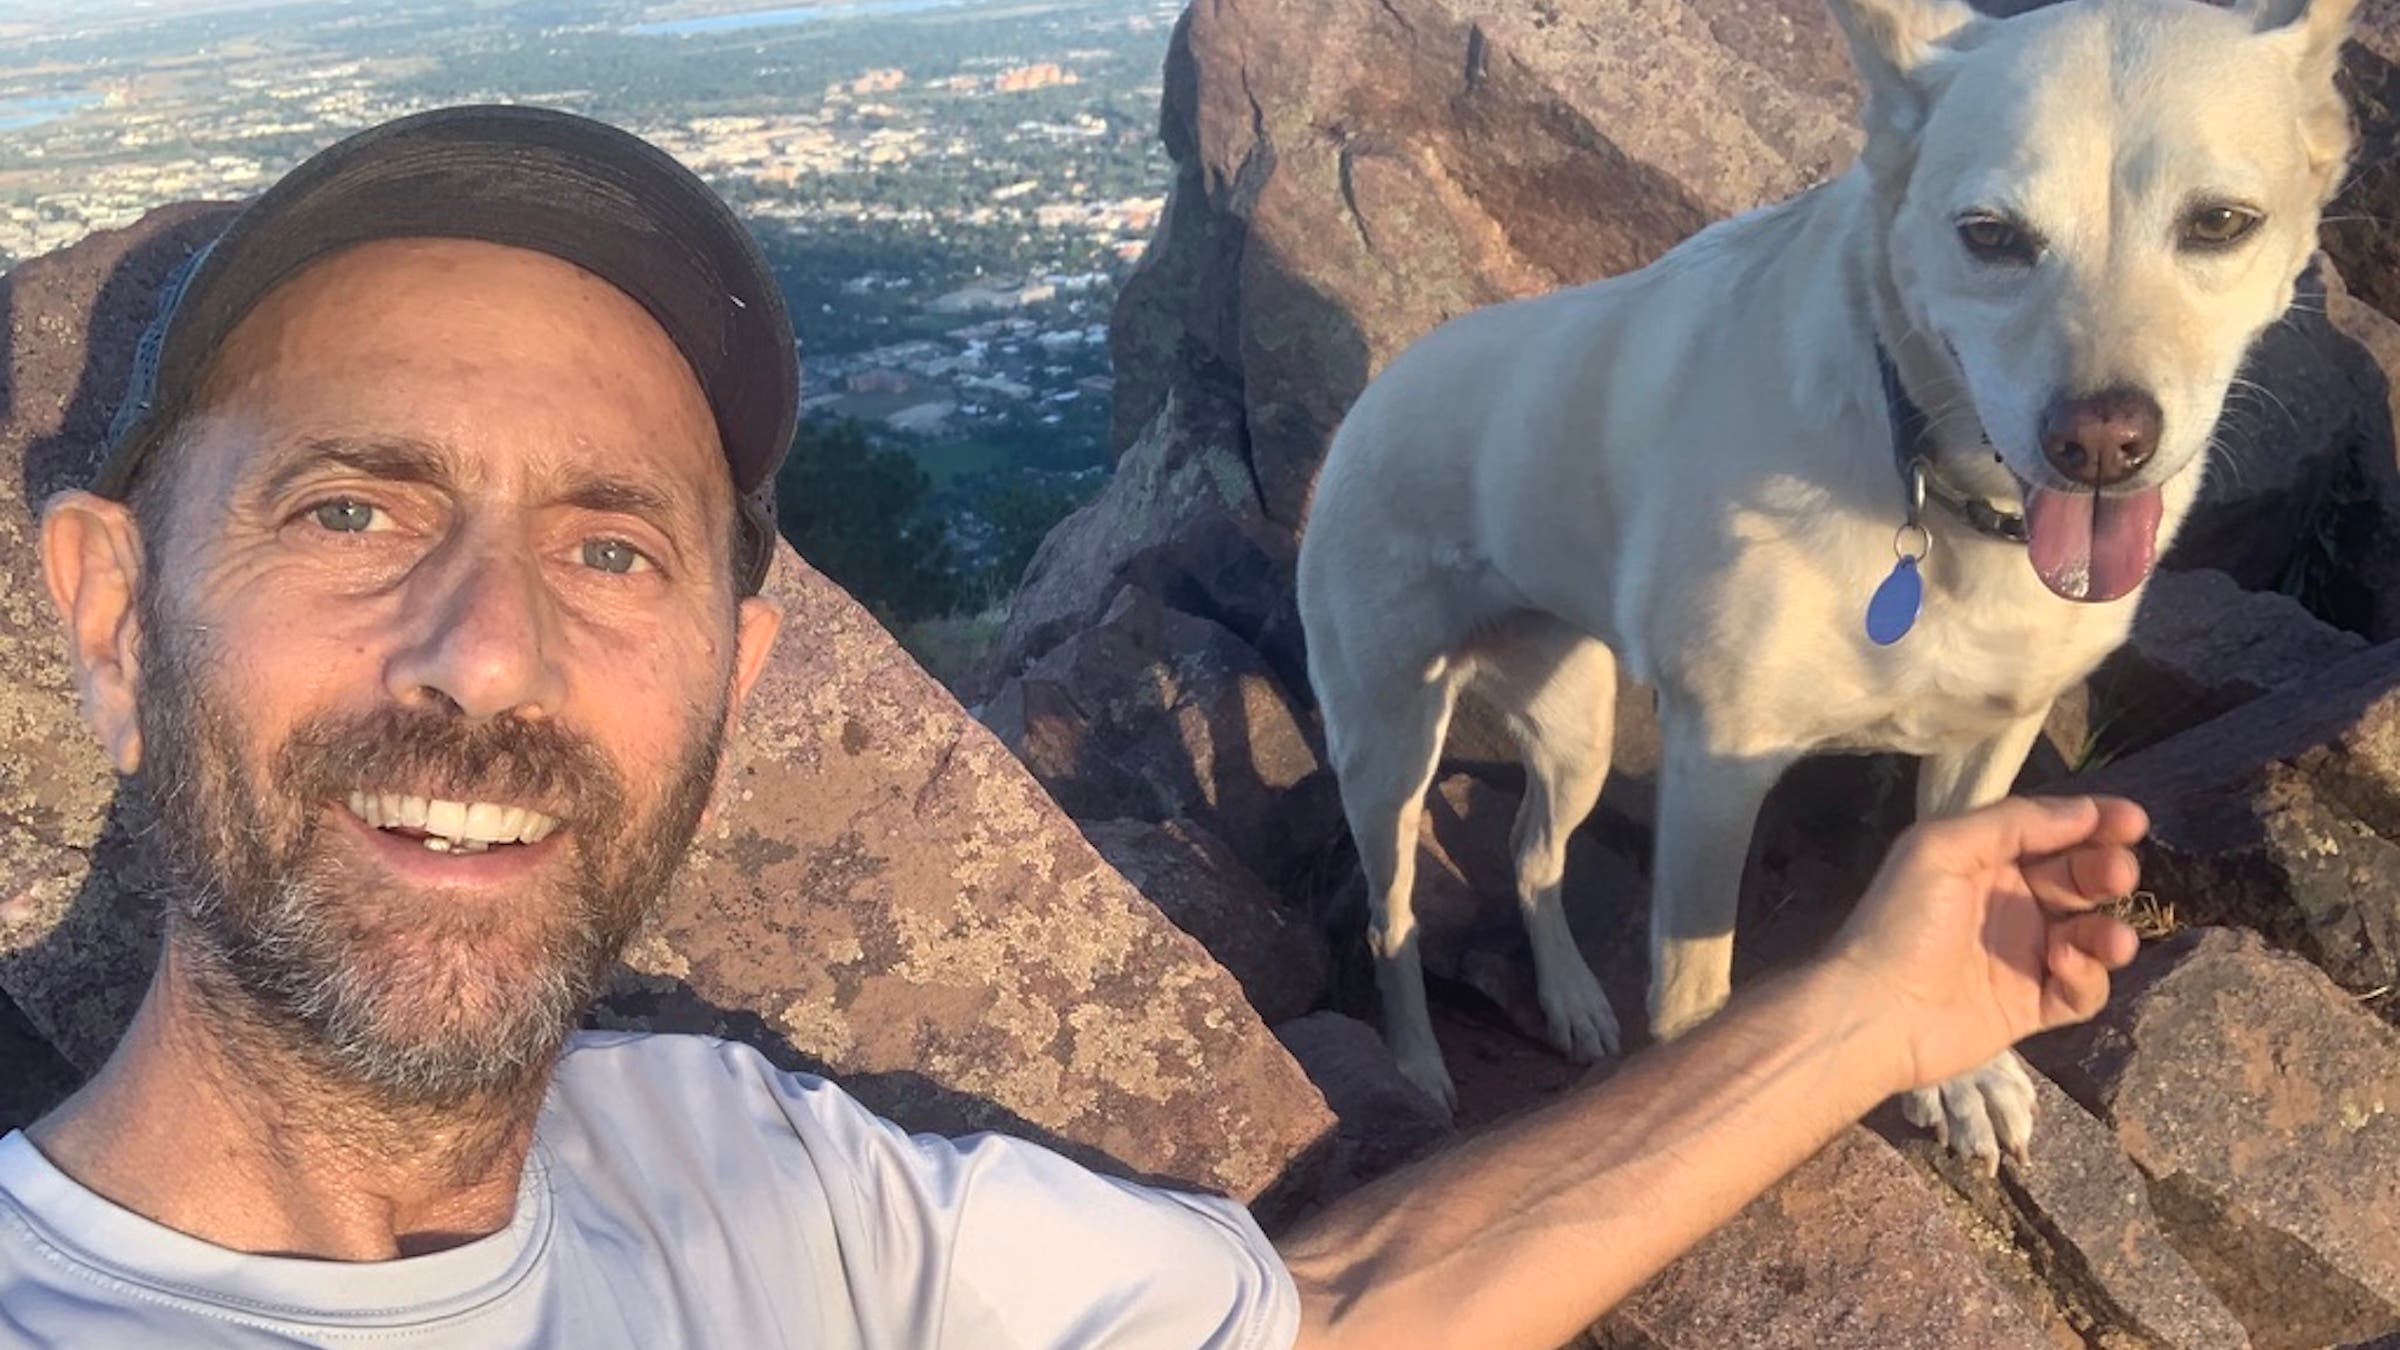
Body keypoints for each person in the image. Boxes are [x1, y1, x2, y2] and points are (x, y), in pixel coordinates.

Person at [3, 105, 2146, 1349]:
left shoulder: (743, 1172)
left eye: (611, 551)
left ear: (738, 698)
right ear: (109, 618)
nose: (482, 656)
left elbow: (1329, 1312)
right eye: (351, 506)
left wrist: (1873, 1009)